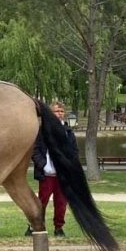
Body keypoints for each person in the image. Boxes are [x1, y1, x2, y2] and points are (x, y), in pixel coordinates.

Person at [27, 101, 76, 237]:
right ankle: (35, 225)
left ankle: (58, 227)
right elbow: (35, 150)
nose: (59, 113)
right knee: (42, 202)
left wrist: (69, 166)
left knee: (61, 203)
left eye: (61, 111)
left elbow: (74, 151)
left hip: (62, 175)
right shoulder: (42, 130)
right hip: (47, 174)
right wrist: (43, 165)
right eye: (56, 111)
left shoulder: (68, 131)